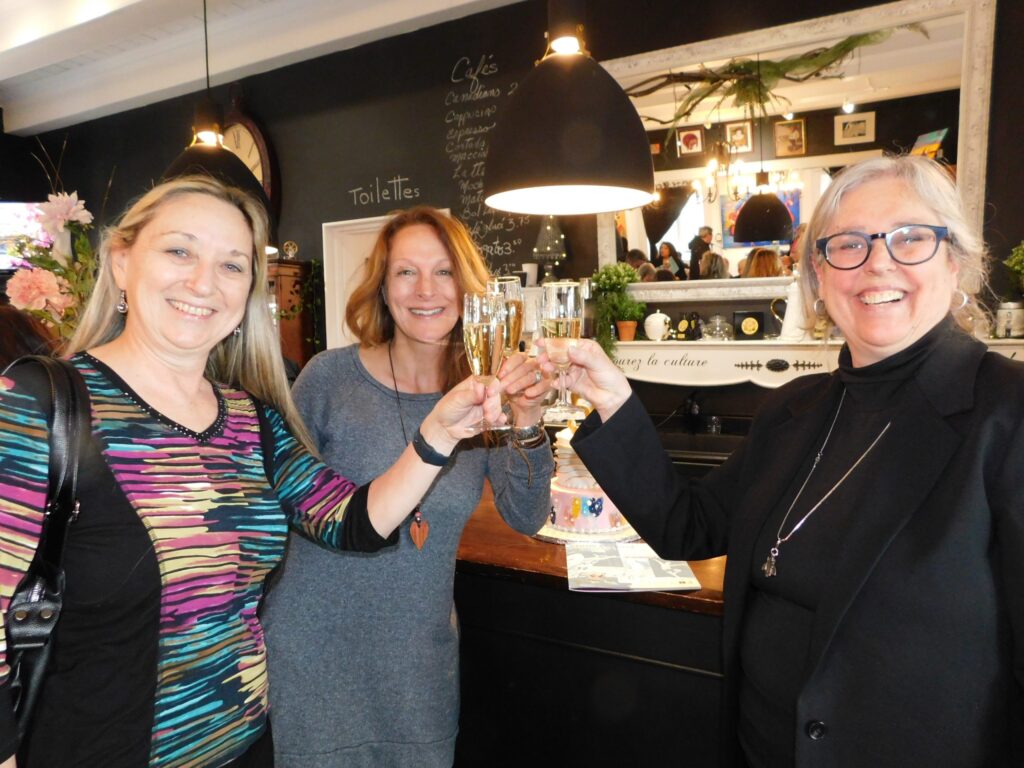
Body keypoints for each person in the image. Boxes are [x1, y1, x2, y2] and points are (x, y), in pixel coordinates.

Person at [0, 176, 507, 768]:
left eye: (232, 265)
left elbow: (352, 521)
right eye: (180, 250)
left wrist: (440, 432)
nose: (203, 282)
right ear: (121, 263)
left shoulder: (247, 418)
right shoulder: (36, 403)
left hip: (248, 746)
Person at [539, 155, 1021, 767]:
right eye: (847, 244)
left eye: (910, 238)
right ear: (819, 277)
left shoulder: (1008, 414)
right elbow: (687, 525)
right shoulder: (795, 410)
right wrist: (612, 396)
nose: (878, 263)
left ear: (955, 261)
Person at [262, 207, 553, 767]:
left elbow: (525, 515)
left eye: (444, 272)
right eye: (405, 272)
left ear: (467, 287)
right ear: (382, 286)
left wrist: (527, 420)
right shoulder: (329, 379)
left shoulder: (482, 390)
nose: (426, 290)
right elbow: (284, 509)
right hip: (315, 656)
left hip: (418, 666)